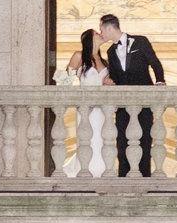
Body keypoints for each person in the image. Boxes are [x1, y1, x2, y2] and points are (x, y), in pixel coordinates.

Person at [98, 13, 165, 177]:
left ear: (109, 27)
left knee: (145, 140)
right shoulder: (110, 51)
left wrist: (160, 82)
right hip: (123, 104)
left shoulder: (140, 41)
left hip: (144, 102)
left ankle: (144, 178)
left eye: (101, 30)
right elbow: (116, 76)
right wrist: (109, 81)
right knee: (121, 141)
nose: (101, 33)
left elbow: (155, 63)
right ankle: (124, 178)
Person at [55, 27, 111, 176]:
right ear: (89, 39)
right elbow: (65, 80)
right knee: (87, 139)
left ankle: (100, 172)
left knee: (101, 140)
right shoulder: (79, 56)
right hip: (86, 109)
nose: (100, 34)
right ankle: (84, 170)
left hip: (102, 110)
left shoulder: (104, 61)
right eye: (97, 33)